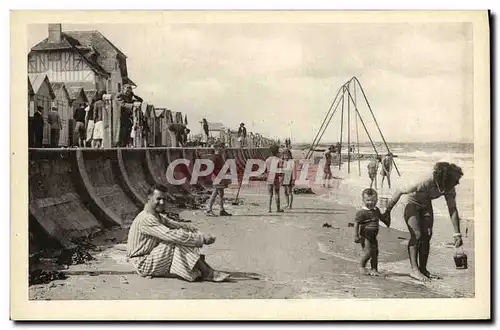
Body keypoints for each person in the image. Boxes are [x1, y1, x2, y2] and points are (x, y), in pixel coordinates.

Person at [127, 184, 230, 282]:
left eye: (164, 199)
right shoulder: (146, 219)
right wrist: (201, 239)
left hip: (151, 257)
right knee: (176, 240)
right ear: (149, 198)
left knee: (181, 235)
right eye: (158, 199)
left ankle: (203, 270)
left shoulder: (155, 216)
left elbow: (176, 224)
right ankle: (208, 272)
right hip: (142, 263)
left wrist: (195, 230)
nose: (162, 202)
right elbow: (171, 235)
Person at [385, 162, 464, 282]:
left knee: (427, 235)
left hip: (426, 203)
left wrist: (457, 234)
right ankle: (414, 270)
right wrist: (387, 211)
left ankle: (423, 269)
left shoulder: (449, 188)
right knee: (416, 235)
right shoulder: (424, 180)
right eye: (455, 180)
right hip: (410, 201)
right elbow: (399, 191)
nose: (457, 183)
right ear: (445, 179)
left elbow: (452, 209)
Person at [354, 188, 391, 276]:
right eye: (368, 200)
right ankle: (362, 266)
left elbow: (381, 217)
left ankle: (374, 269)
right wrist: (356, 235)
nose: (371, 202)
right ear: (363, 200)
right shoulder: (361, 212)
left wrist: (387, 219)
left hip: (373, 236)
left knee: (375, 253)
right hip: (365, 235)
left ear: (377, 200)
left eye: (373, 200)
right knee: (368, 252)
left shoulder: (376, 210)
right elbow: (356, 224)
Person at [206, 142, 232, 217]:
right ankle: (208, 209)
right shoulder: (215, 157)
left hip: (220, 176)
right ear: (218, 148)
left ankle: (222, 210)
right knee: (215, 192)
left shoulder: (219, 156)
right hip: (217, 177)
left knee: (221, 193)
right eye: (222, 147)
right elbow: (212, 168)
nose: (224, 149)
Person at [265, 144, 284, 213]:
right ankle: (278, 208)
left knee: (270, 194)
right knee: (277, 193)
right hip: (276, 176)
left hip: (269, 176)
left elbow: (266, 170)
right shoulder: (279, 160)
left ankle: (269, 209)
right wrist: (281, 179)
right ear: (277, 152)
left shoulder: (267, 160)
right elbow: (280, 171)